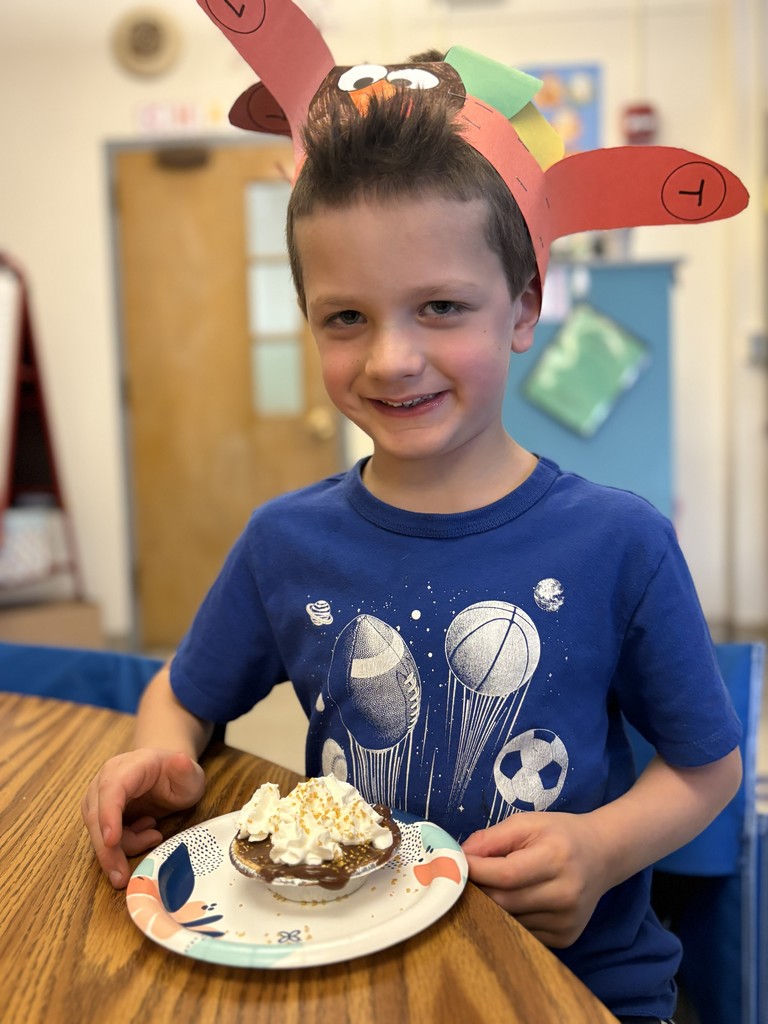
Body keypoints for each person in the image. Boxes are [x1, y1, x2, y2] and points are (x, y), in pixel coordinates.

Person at [82, 69, 743, 1024]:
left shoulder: (621, 541)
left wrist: (601, 851)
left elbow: (706, 765)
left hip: (573, 983)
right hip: (349, 972)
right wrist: (164, 752)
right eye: (346, 317)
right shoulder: (285, 542)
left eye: (440, 307)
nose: (391, 358)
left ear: (521, 309)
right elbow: (183, 696)